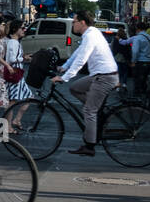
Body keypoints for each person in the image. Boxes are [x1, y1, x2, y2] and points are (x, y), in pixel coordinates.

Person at [51, 10, 120, 157]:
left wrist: (65, 77)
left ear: (82, 22)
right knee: (75, 88)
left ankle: (89, 146)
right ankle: (95, 111)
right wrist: (64, 67)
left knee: (89, 110)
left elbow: (82, 59)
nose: (73, 24)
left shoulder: (90, 35)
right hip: (100, 75)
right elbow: (77, 53)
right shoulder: (90, 33)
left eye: (74, 21)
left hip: (105, 77)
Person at [3, 20, 34, 130]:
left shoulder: (14, 42)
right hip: (15, 74)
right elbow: (11, 59)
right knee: (12, 102)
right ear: (15, 29)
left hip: (17, 74)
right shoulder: (13, 42)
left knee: (18, 100)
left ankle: (14, 122)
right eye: (22, 28)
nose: (24, 30)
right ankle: (10, 126)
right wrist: (23, 58)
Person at [124, 21, 150, 100]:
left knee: (138, 80)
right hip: (149, 62)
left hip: (140, 62)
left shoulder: (137, 38)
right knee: (144, 80)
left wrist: (133, 61)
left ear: (137, 29)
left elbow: (135, 51)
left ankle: (138, 98)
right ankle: (145, 97)